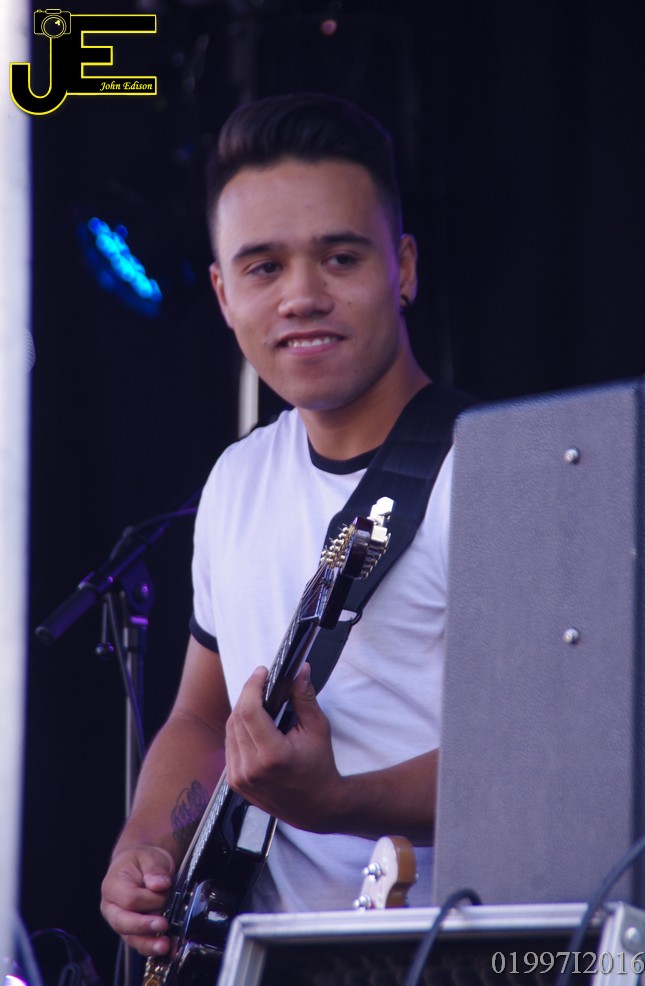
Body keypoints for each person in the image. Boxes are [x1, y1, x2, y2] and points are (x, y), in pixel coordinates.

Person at [100, 91, 456, 958]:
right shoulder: (236, 478)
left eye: (339, 257)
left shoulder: (506, 472)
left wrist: (338, 802)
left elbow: (557, 764)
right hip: (261, 957)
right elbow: (201, 716)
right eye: (263, 268)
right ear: (223, 294)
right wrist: (147, 843)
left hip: (459, 955)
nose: (301, 295)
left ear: (403, 268)